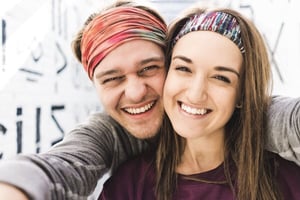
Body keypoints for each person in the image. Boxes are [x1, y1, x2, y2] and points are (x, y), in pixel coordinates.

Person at [0, 1, 299, 200]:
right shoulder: (126, 176)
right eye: (112, 78)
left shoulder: (279, 165)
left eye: (149, 69)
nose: (135, 92)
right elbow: (63, 166)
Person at [98, 6, 300, 200]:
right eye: (184, 69)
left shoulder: (286, 181)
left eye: (221, 78)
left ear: (241, 95)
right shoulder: (128, 187)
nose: (195, 94)